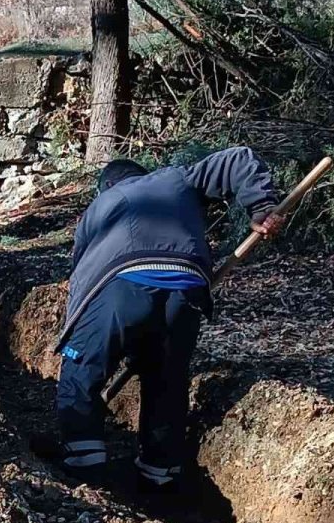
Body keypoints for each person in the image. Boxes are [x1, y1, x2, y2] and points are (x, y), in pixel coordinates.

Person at [55, 147, 285, 494]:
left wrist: (80, 338)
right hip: (185, 290)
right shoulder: (177, 178)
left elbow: (81, 279)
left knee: (82, 369)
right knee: (165, 381)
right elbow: (238, 159)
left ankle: (84, 467)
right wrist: (262, 208)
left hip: (118, 285)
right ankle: (159, 474)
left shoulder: (98, 207)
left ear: (106, 186)